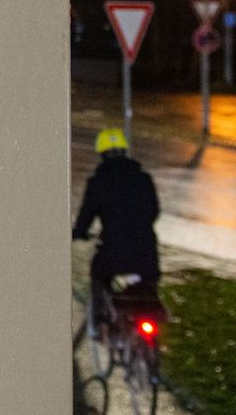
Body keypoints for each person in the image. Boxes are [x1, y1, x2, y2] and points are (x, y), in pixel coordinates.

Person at [73, 128, 162, 326]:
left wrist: (78, 234)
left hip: (113, 253)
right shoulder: (144, 178)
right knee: (148, 289)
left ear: (102, 154)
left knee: (98, 275)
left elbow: (85, 218)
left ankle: (98, 322)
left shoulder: (98, 182)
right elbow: (154, 212)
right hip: (147, 252)